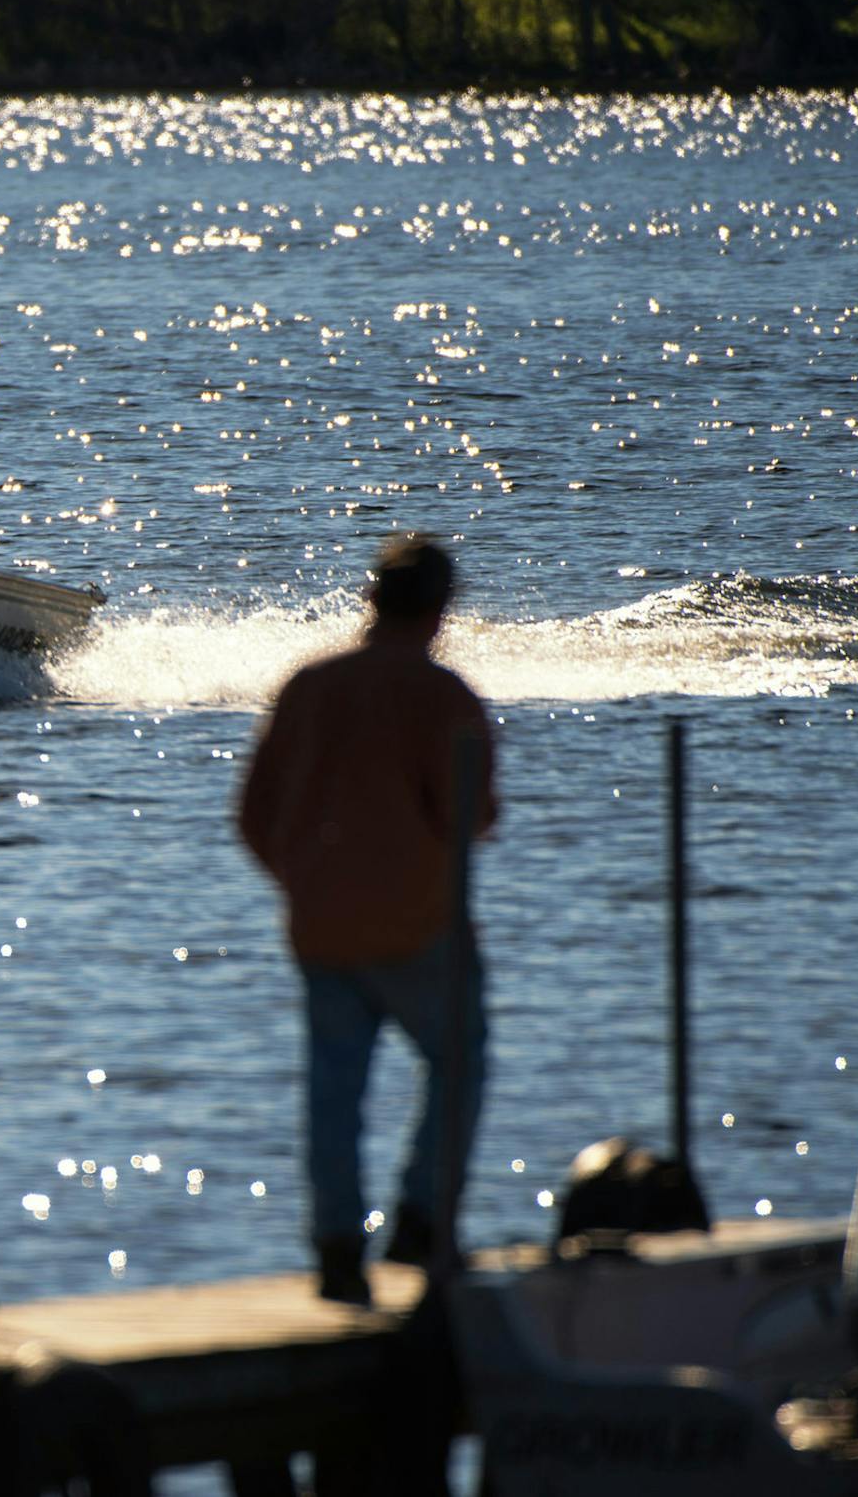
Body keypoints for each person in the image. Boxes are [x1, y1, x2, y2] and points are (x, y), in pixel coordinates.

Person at [236, 534, 497, 1305]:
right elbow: (473, 817)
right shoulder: (444, 696)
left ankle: (338, 1249)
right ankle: (421, 1218)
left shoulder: (309, 686)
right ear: (440, 609)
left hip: (322, 926)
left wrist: (303, 884)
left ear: (371, 599)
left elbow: (254, 815)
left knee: (334, 1093)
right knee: (460, 1063)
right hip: (420, 928)